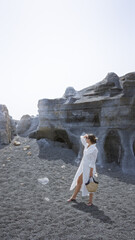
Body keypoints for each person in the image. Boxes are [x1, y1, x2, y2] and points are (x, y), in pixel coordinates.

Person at [67, 133, 98, 206]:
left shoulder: (94, 149)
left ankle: (90, 201)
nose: (86, 139)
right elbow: (82, 139)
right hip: (83, 167)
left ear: (90, 140)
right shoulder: (87, 145)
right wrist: (85, 136)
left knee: (90, 184)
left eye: (87, 138)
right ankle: (73, 197)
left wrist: (91, 172)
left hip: (89, 168)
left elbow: (93, 161)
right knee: (79, 181)